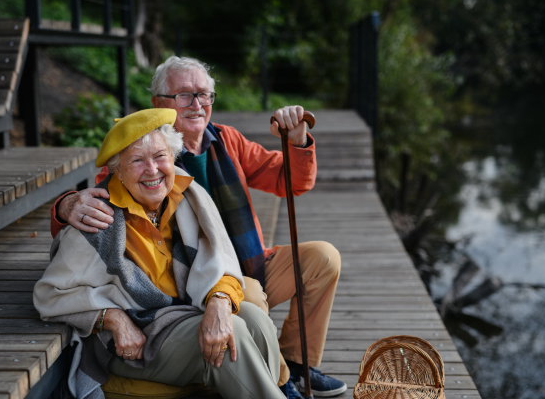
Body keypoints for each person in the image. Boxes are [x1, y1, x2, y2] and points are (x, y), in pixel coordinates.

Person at [50, 56, 345, 398]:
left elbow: (288, 181)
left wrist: (296, 140)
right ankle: (278, 382)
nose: (197, 104)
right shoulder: (150, 153)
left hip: (247, 261)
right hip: (196, 280)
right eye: (185, 95)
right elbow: (103, 204)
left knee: (323, 258)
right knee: (246, 296)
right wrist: (66, 204)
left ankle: (296, 363)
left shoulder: (226, 140)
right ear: (158, 103)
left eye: (204, 95)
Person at [34, 108, 285, 399]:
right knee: (237, 336)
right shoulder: (97, 218)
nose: (152, 170)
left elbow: (221, 259)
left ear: (173, 156)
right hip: (140, 335)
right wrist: (112, 317)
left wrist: (218, 300)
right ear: (117, 170)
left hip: (182, 313)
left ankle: (275, 388)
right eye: (137, 161)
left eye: (159, 156)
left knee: (254, 318)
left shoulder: (189, 195)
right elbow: (49, 295)